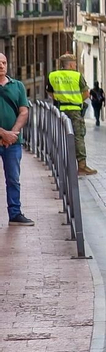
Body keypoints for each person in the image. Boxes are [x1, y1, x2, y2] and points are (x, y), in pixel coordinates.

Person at [49, 52, 96, 176]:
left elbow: (50, 92)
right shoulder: (77, 76)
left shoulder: (53, 75)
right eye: (74, 64)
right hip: (75, 110)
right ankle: (82, 166)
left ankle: (60, 164)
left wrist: (61, 98)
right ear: (70, 65)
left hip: (59, 110)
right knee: (78, 136)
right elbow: (86, 94)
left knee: (60, 136)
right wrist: (75, 100)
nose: (75, 66)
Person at [0, 52, 32, 226]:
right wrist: (2, 133)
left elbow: (24, 111)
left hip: (12, 142)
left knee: (13, 178)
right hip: (5, 137)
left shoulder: (18, 86)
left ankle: (15, 213)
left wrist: (12, 133)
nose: (1, 66)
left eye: (4, 62)